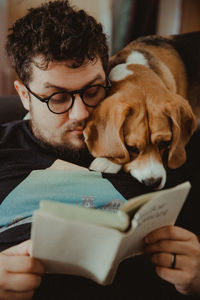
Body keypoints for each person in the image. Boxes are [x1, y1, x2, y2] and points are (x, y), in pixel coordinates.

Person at [0, 1, 200, 299]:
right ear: (24, 96)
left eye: (92, 90)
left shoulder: (162, 142)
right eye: (57, 97)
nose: (80, 113)